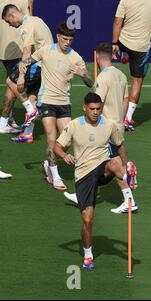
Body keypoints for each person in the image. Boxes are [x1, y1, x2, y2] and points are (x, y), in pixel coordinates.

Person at [54, 92, 138, 270]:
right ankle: (88, 254)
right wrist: (64, 155)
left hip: (102, 168)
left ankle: (128, 178)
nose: (95, 112)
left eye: (98, 109)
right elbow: (57, 146)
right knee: (87, 220)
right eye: (92, 109)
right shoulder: (74, 125)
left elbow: (120, 146)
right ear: (84, 107)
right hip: (84, 175)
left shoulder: (109, 125)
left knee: (113, 162)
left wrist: (126, 163)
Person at [63, 43, 137, 214]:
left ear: (97, 57)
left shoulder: (103, 78)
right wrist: (120, 120)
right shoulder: (121, 75)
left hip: (106, 128)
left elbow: (97, 103)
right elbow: (126, 100)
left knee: (114, 163)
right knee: (97, 162)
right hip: (118, 124)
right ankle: (83, 194)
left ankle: (129, 200)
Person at [19, 22, 93, 190]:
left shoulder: (75, 57)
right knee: (52, 140)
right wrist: (22, 72)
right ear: (58, 37)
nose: (67, 42)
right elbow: (27, 62)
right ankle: (56, 176)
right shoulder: (46, 50)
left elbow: (90, 83)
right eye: (64, 38)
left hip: (64, 104)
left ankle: (47, 163)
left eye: (70, 39)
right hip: (46, 101)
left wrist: (83, 74)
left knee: (66, 141)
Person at [112, 0, 151, 131]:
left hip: (123, 41)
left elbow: (117, 21)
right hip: (140, 48)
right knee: (137, 82)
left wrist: (114, 43)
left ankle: (124, 55)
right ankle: (127, 119)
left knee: (109, 68)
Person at [1, 3, 53, 140]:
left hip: (41, 64)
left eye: (8, 21)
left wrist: (21, 77)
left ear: (12, 15)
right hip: (47, 65)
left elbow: (27, 51)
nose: (9, 25)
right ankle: (27, 134)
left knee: (10, 81)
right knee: (32, 97)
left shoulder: (27, 25)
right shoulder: (35, 20)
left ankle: (31, 111)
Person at [0, 0, 31, 134]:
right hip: (17, 50)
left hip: (4, 50)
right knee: (13, 84)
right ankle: (3, 121)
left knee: (11, 83)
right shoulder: (22, 1)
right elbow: (29, 23)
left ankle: (9, 119)